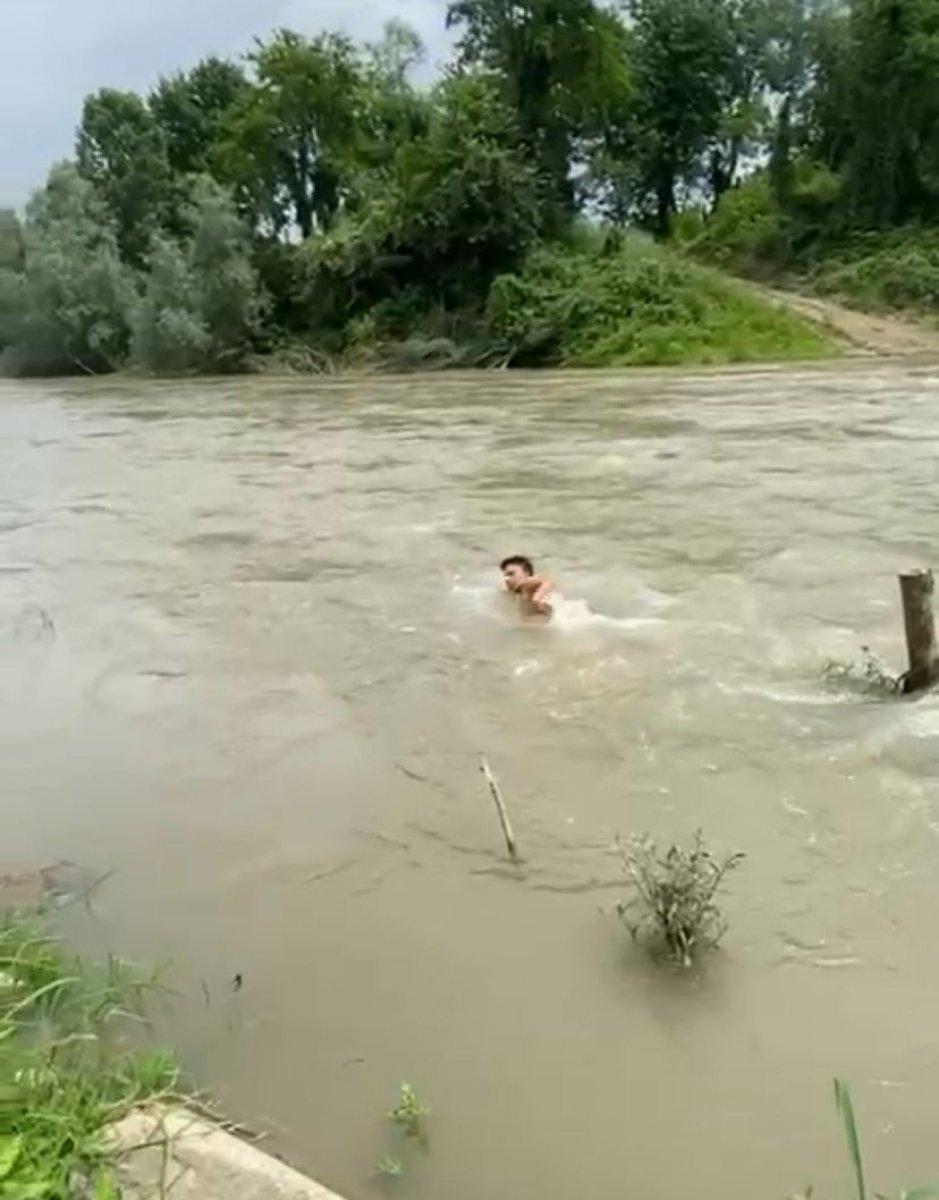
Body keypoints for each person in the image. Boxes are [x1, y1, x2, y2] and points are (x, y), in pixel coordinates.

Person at [500, 555, 555, 619]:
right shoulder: (512, 592)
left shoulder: (529, 583)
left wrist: (537, 597)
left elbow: (546, 582)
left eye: (511, 574)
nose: (507, 579)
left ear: (526, 573)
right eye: (505, 576)